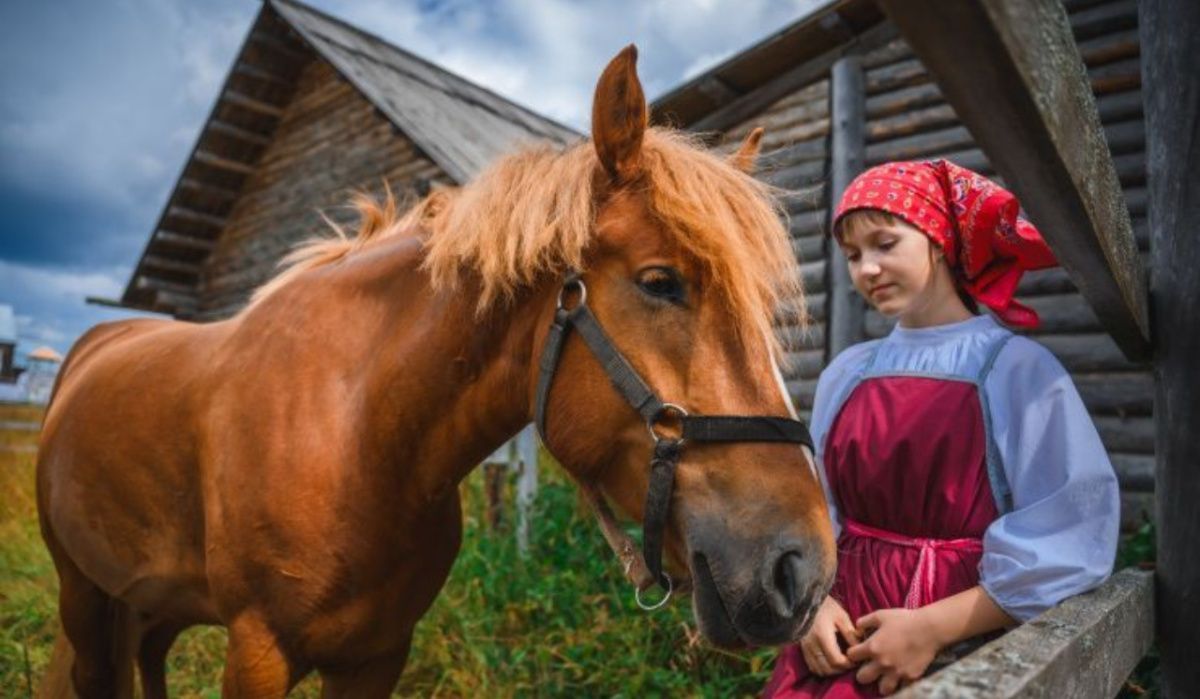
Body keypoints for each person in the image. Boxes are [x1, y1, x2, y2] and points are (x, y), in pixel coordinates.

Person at [763, 160, 1120, 698]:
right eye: (854, 255)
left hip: (959, 640)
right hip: (837, 637)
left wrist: (932, 628)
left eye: (885, 244)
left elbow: (1071, 532)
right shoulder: (849, 370)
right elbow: (819, 509)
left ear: (937, 240)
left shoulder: (1014, 368)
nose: (867, 270)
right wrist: (813, 606)